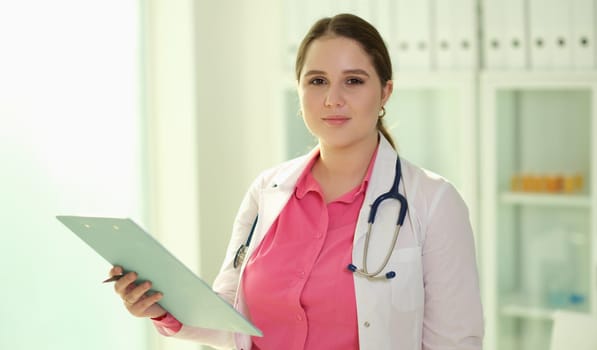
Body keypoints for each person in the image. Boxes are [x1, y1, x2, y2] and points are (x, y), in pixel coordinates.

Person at [109, 13, 484, 350]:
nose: (332, 99)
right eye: (317, 81)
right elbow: (230, 318)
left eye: (353, 81)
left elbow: (455, 343)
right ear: (300, 90)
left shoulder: (433, 202)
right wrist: (162, 307)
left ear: (385, 91)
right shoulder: (267, 191)